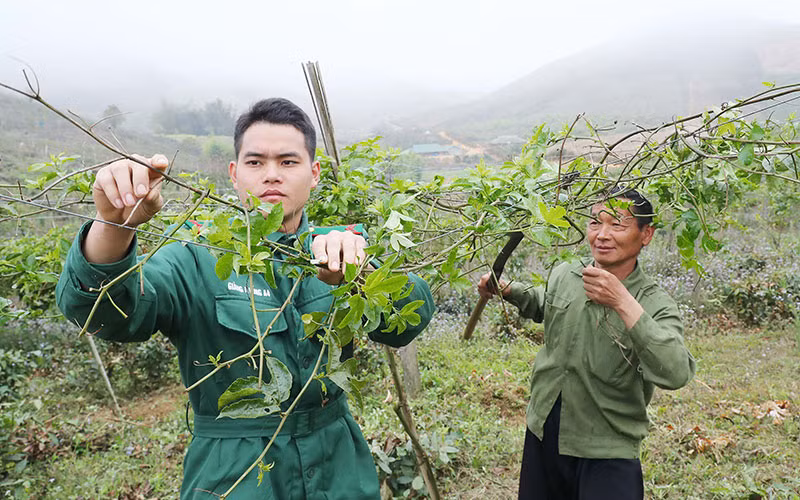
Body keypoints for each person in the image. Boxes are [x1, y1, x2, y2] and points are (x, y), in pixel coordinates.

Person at [56, 98, 435, 499]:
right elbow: (103, 315)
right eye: (255, 163)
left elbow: (409, 321)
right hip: (235, 474)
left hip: (337, 466)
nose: (272, 175)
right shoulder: (196, 256)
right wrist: (114, 224)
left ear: (315, 173)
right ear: (235, 174)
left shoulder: (342, 246)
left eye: (288, 162)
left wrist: (362, 278)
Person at [477, 189, 695, 500]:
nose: (602, 235)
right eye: (595, 223)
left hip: (607, 448)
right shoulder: (569, 272)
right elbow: (546, 304)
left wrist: (621, 301)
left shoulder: (654, 302)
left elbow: (676, 372)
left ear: (646, 234)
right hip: (545, 430)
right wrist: (510, 291)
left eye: (617, 225)